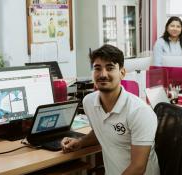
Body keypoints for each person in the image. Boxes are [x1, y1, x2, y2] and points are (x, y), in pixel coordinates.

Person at [61, 44, 160, 175]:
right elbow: (102, 131)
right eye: (97, 68)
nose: (103, 74)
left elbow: (138, 167)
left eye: (110, 68)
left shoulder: (139, 111)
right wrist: (80, 142)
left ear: (122, 73)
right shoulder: (88, 102)